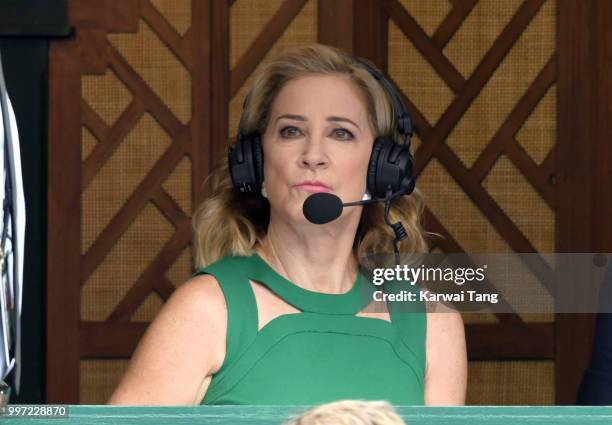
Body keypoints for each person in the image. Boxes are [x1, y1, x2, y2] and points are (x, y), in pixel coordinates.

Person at [108, 44, 467, 406]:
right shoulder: (206, 310)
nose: (313, 155)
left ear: (383, 170)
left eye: (340, 133)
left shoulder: (431, 322)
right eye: (291, 131)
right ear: (256, 163)